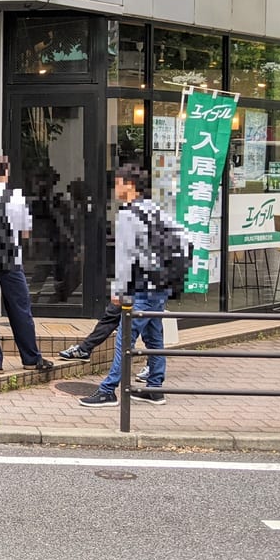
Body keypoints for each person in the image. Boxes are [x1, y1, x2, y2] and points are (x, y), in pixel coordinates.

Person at [79, 164, 173, 407]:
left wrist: (119, 290)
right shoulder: (156, 210)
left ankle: (108, 389)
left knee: (125, 338)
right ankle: (155, 387)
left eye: (118, 183)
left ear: (129, 185)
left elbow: (125, 257)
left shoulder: (128, 215)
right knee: (154, 337)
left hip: (140, 284)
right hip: (160, 282)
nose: (115, 189)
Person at [0, 154, 53, 374]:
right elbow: (25, 230)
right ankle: (30, 359)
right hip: (10, 262)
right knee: (20, 310)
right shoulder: (15, 198)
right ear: (5, 173)